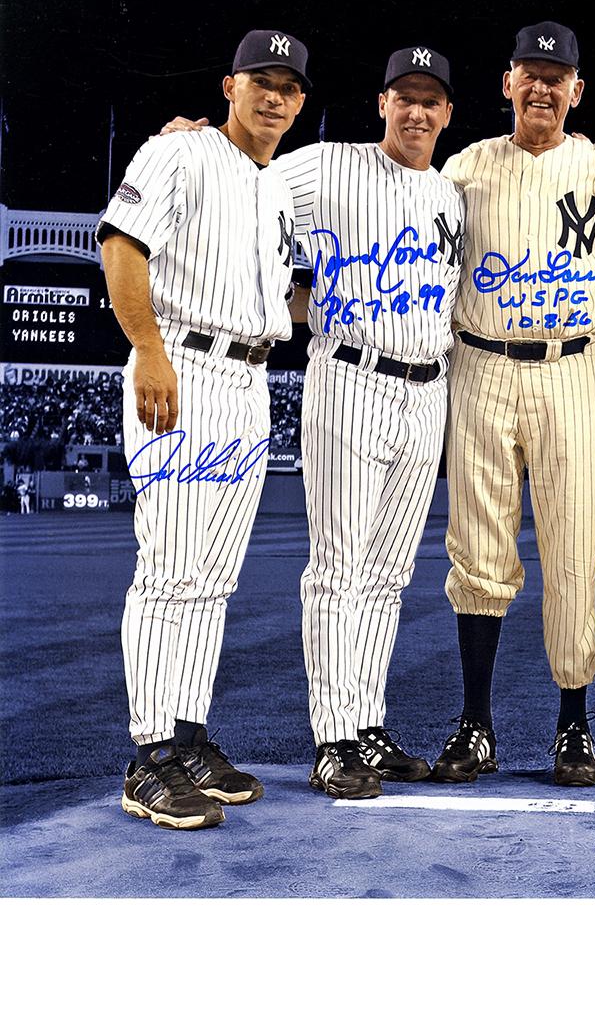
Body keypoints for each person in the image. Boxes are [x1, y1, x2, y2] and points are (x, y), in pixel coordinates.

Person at [161, 47, 464, 800]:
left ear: (449, 113)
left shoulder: (452, 196)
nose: (418, 111)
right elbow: (245, 173)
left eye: (431, 100)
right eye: (405, 97)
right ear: (382, 104)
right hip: (351, 376)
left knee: (389, 576)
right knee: (339, 568)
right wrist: (193, 142)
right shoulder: (328, 165)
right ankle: (333, 740)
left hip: (429, 388)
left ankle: (365, 724)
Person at [100, 29, 309, 829]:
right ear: (230, 86)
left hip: (249, 379)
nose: (274, 96)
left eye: (289, 87)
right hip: (182, 366)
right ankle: (148, 755)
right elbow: (122, 246)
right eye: (261, 80)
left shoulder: (279, 186)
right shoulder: (178, 155)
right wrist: (148, 348)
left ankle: (187, 738)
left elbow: (275, 295)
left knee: (212, 576)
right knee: (170, 566)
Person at [434, 22, 595, 786]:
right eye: (530, 73)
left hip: (574, 366)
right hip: (481, 365)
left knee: (575, 548)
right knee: (477, 549)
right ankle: (474, 723)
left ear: (577, 90)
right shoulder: (463, 167)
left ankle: (572, 726)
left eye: (558, 76)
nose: (543, 87)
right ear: (507, 83)